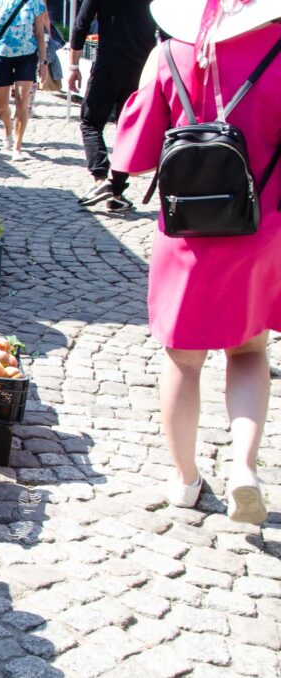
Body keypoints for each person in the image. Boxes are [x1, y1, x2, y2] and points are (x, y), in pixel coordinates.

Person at [111, 0, 281, 524]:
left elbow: (132, 156)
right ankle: (244, 470)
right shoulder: (278, 52)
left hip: (186, 232)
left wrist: (149, 85)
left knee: (183, 360)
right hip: (261, 227)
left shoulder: (170, 52)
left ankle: (185, 480)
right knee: (249, 351)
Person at [71, 0, 157, 211]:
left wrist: (73, 65)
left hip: (108, 63)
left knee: (90, 122)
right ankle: (116, 191)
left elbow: (81, 23)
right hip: (142, 67)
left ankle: (101, 180)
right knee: (127, 128)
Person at [0, 0, 49, 161]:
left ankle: (17, 146)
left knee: (22, 102)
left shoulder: (35, 2)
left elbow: (39, 33)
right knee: (0, 107)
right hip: (0, 56)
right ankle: (8, 130)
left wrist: (43, 62)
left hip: (27, 56)